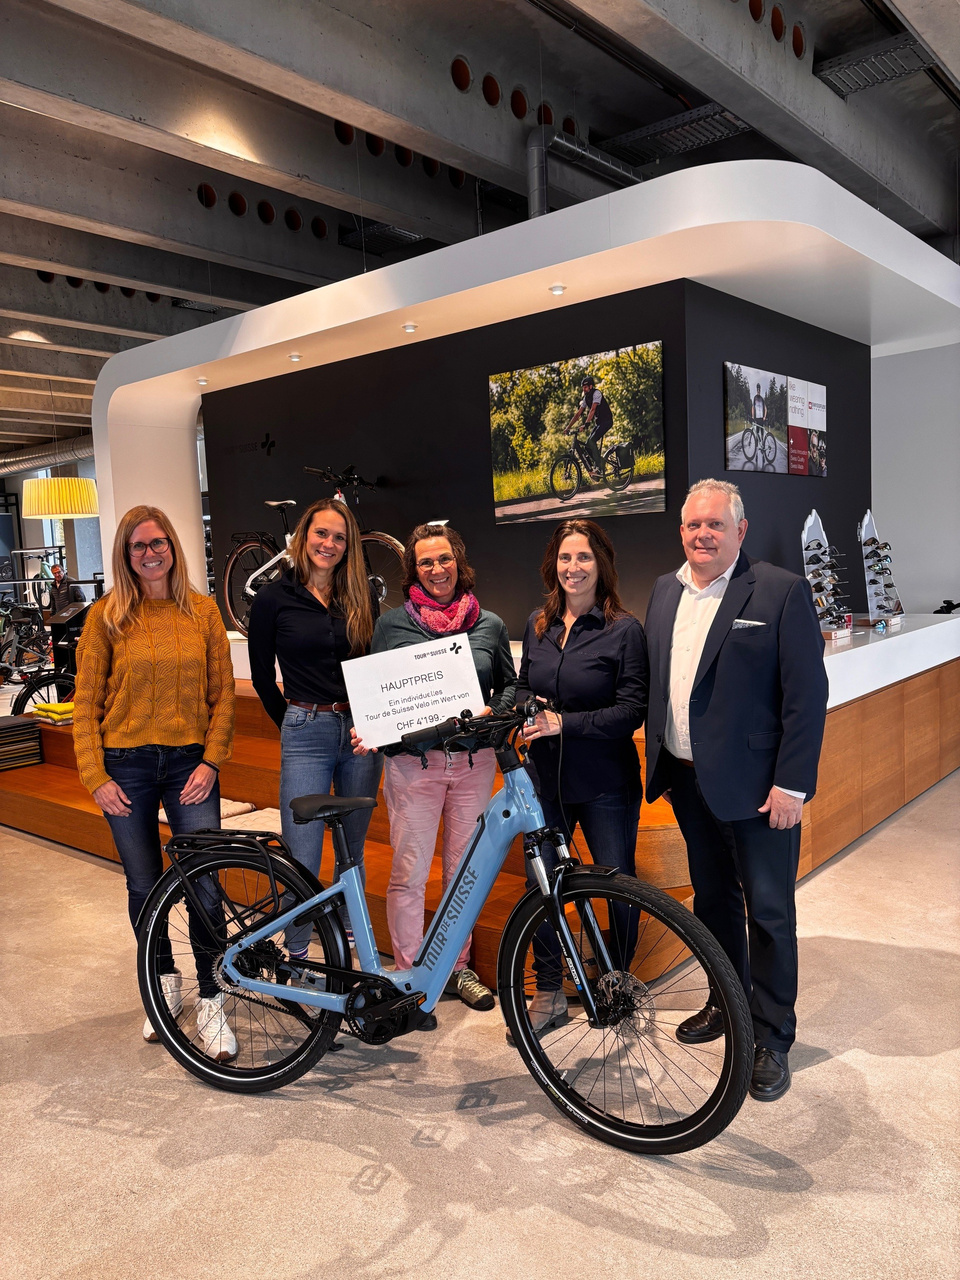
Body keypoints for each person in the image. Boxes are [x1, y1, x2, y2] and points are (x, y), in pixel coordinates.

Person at [644, 479, 828, 1102]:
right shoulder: (665, 591)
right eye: (694, 525)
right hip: (689, 781)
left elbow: (808, 697)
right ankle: (728, 1002)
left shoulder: (779, 591)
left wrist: (792, 784)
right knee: (714, 903)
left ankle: (773, 1036)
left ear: (740, 531)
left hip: (758, 791)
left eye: (715, 525)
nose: (703, 535)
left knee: (770, 912)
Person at [73, 505, 237, 1057]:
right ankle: (161, 980)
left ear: (173, 546)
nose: (150, 553)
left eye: (158, 542)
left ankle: (213, 997)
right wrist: (94, 774)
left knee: (205, 885)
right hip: (125, 768)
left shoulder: (205, 612)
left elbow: (224, 696)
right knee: (143, 886)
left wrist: (212, 761)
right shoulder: (105, 618)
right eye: (138, 546)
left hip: (191, 764)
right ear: (125, 554)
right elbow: (86, 704)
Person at [354, 523, 516, 1016]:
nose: (437, 569)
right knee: (409, 873)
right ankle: (409, 976)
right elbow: (378, 694)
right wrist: (373, 727)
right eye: (426, 562)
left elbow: (510, 685)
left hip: (473, 763)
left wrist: (495, 711)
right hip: (413, 767)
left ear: (458, 561)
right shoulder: (391, 627)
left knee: (463, 873)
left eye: (444, 559)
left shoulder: (488, 624)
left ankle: (454, 965)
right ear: (413, 571)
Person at [515, 518, 648, 1036]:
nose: (574, 568)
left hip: (605, 784)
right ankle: (548, 994)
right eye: (566, 558)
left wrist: (563, 722)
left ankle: (616, 987)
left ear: (602, 565)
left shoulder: (624, 629)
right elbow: (524, 683)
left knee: (618, 887)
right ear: (555, 564)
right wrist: (528, 706)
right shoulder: (538, 623)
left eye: (585, 558)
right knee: (544, 887)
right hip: (545, 784)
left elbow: (632, 709)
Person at [247, 498, 383, 955]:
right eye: (321, 533)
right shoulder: (272, 597)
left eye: (339, 537)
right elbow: (263, 674)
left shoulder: (360, 595)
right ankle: (298, 953)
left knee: (352, 851)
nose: (329, 543)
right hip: (306, 728)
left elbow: (375, 664)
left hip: (361, 734)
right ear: (303, 536)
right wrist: (289, 721)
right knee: (302, 854)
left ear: (349, 547)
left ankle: (352, 943)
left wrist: (378, 720)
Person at [567, 375, 613, 479]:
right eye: (583, 387)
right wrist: (568, 427)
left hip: (607, 421)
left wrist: (586, 424)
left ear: (591, 386)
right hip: (599, 423)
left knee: (591, 441)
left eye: (586, 387)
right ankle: (600, 464)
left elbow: (592, 409)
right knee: (588, 445)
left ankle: (599, 467)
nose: (584, 389)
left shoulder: (597, 393)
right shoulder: (585, 398)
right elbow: (578, 414)